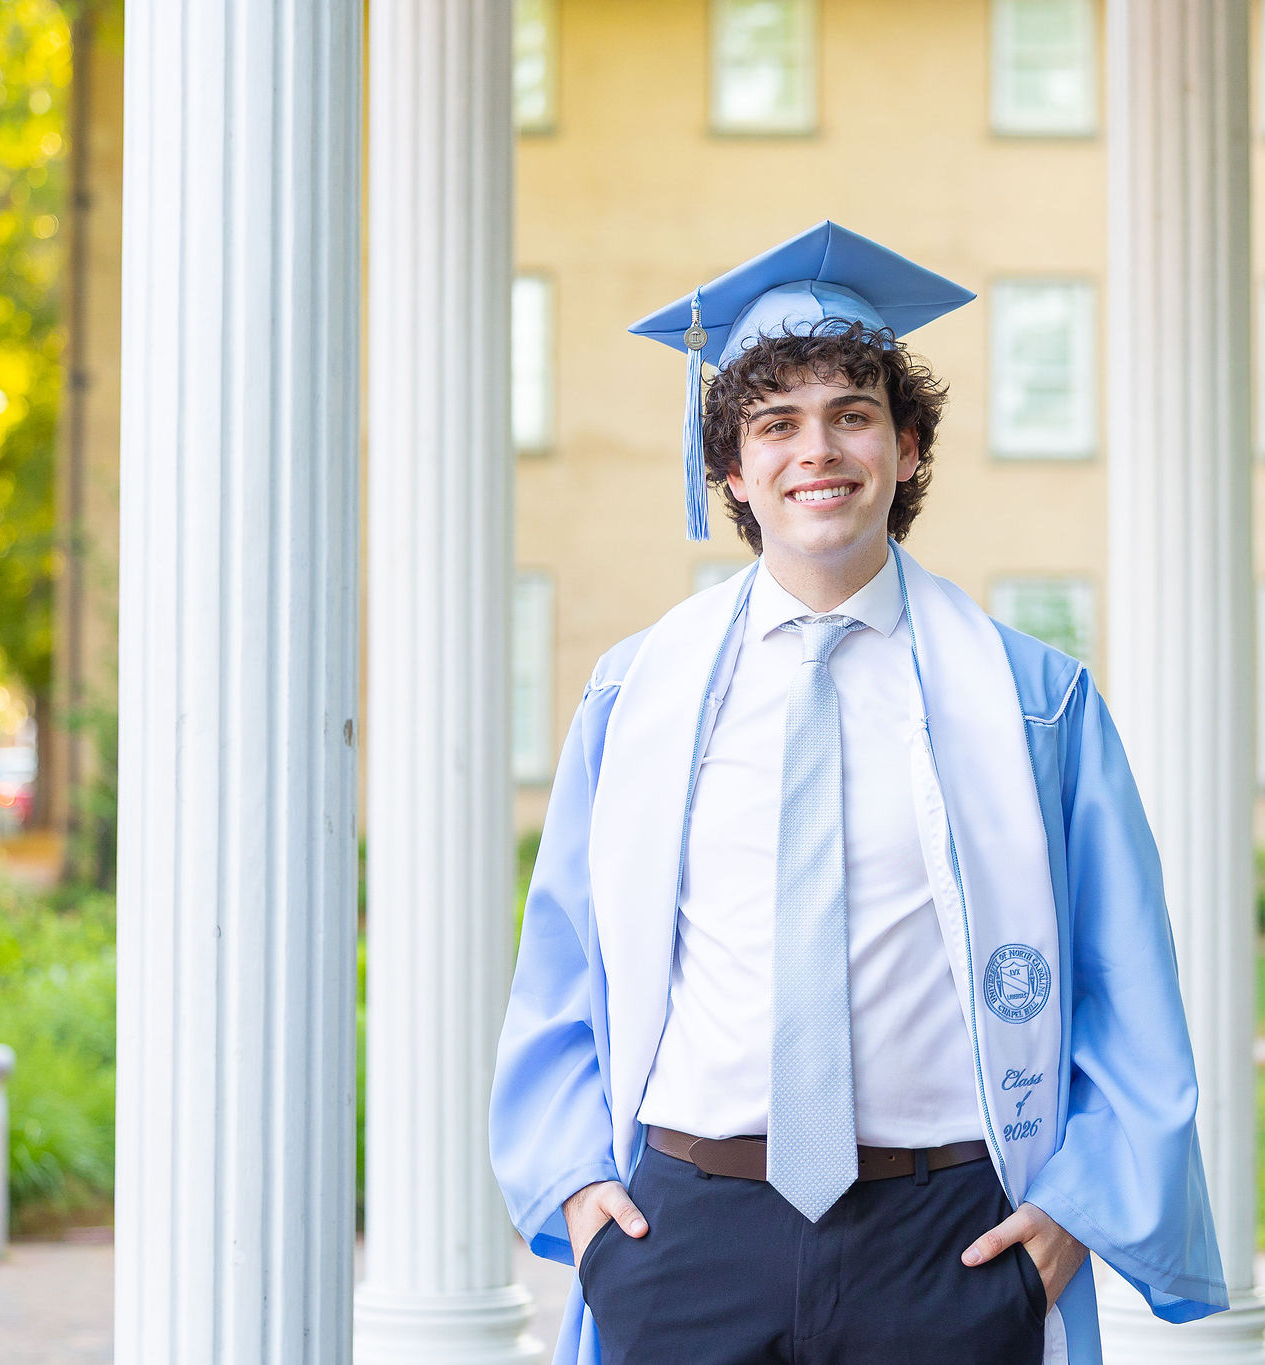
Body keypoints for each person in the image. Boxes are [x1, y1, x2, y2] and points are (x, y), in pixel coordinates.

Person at [490, 221, 1227, 1365]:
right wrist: (585, 1202)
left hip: (945, 1240)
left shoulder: (1034, 704)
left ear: (910, 445)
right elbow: (560, 968)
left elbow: (1124, 983)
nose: (814, 451)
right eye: (773, 424)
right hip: (687, 1228)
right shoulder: (635, 695)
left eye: (852, 414)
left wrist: (1076, 1210)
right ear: (729, 470)